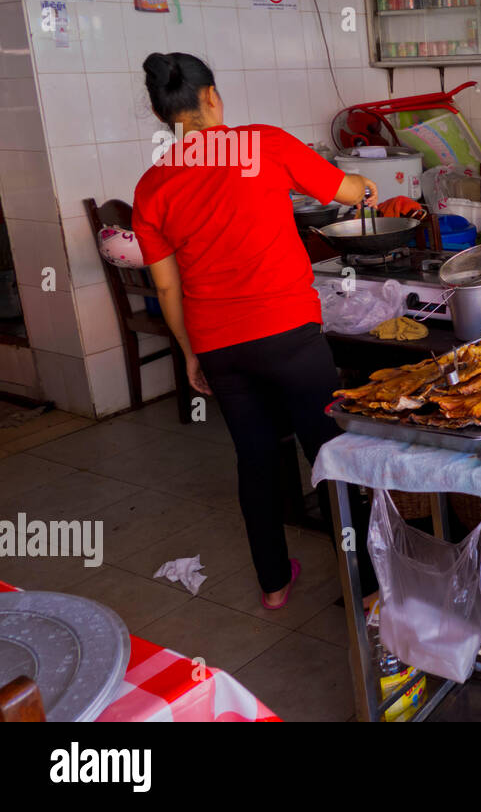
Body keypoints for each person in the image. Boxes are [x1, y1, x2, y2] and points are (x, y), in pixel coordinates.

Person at [132, 52, 379, 610]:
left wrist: (192, 352)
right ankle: (367, 586)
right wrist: (364, 186)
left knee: (256, 458)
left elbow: (168, 289)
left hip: (219, 343)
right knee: (329, 453)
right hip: (289, 332)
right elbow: (345, 191)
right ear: (213, 97)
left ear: (159, 111)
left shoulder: (152, 185)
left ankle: (273, 582)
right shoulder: (263, 143)